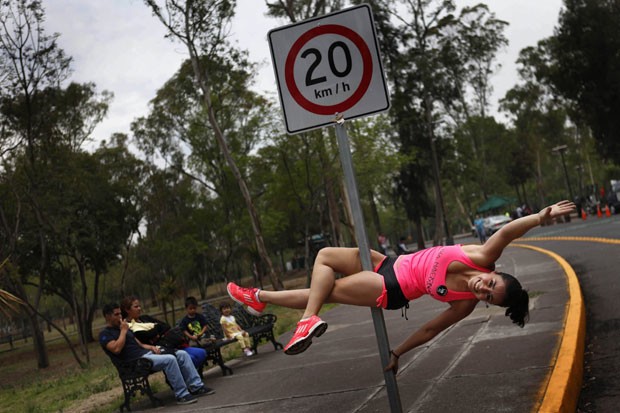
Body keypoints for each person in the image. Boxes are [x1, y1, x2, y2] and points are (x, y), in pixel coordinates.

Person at [227, 200, 575, 373]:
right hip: (389, 262)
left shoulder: (464, 304)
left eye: (487, 296)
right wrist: (540, 218)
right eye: (491, 284)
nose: (482, 287)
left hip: (390, 290)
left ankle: (273, 304)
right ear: (495, 273)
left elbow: (429, 330)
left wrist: (397, 353)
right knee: (325, 257)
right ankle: (266, 302)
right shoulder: (482, 255)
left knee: (327, 287)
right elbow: (507, 231)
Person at [99, 303, 214, 405]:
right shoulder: (105, 334)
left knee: (181, 354)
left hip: (146, 354)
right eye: (116, 314)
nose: (120, 316)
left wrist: (152, 347)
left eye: (120, 313)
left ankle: (196, 387)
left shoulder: (123, 328)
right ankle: (182, 395)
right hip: (134, 363)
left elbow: (139, 344)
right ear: (107, 316)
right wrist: (123, 331)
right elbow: (116, 349)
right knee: (169, 359)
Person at [120, 296, 207, 370]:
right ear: (127, 310)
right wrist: (156, 330)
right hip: (158, 350)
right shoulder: (128, 326)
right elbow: (144, 336)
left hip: (170, 343)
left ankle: (190, 374)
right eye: (136, 307)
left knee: (201, 353)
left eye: (139, 306)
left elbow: (165, 326)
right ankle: (186, 380)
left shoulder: (145, 318)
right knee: (188, 358)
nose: (139, 308)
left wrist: (155, 333)